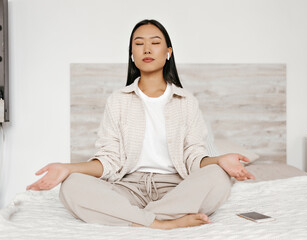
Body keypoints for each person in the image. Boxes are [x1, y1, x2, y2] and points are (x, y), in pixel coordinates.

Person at [26, 19, 255, 230]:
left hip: (175, 188)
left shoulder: (186, 102)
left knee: (218, 176)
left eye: (155, 43)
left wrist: (219, 160)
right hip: (128, 187)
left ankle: (135, 218)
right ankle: (162, 222)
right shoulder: (118, 101)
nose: (147, 49)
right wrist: (68, 168)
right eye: (139, 44)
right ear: (132, 54)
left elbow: (193, 157)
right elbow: (109, 160)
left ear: (168, 52)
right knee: (71, 185)